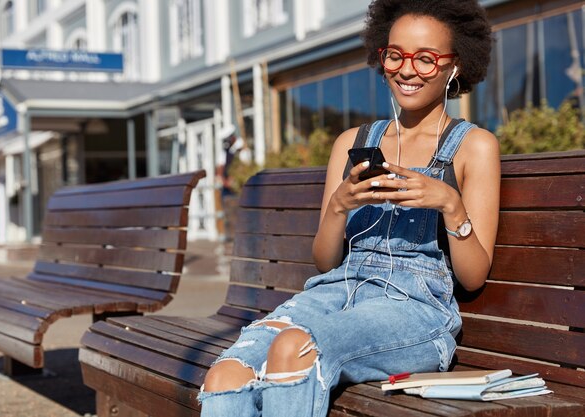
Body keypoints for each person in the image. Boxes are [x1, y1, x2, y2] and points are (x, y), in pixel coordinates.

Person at [199, 1, 500, 416]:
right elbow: (325, 262)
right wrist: (339, 205)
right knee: (227, 373)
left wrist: (450, 204)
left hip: (413, 310)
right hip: (335, 294)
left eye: (426, 59)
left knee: (295, 348)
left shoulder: (473, 146)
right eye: (395, 55)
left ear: (456, 65)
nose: (406, 70)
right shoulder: (352, 142)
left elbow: (473, 276)